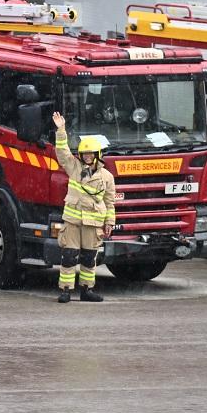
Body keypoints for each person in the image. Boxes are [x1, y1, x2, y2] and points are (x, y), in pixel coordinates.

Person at [51, 112, 115, 303]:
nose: (87, 157)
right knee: (69, 256)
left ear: (97, 155)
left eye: (91, 154)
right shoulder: (74, 167)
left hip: (93, 223)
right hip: (72, 222)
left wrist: (109, 223)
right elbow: (62, 153)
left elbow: (110, 202)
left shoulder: (107, 177)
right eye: (85, 154)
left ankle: (87, 290)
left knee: (89, 258)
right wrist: (61, 130)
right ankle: (65, 290)